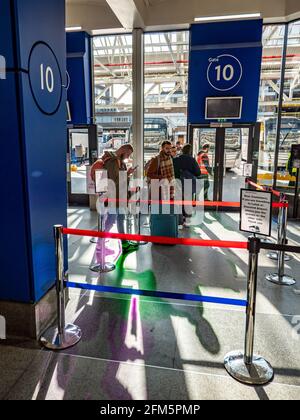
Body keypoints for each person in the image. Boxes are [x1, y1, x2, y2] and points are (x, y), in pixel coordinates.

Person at [91, 144, 138, 254]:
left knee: (120, 219)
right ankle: (100, 245)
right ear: (122, 151)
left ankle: (123, 242)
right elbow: (112, 180)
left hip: (119, 196)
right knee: (110, 221)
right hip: (114, 197)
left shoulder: (118, 161)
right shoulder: (112, 161)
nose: (128, 157)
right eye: (128, 154)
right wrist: (126, 175)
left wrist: (127, 173)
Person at [173, 144, 201, 227]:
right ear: (190, 151)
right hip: (188, 183)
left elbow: (173, 171)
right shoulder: (192, 160)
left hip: (178, 183)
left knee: (179, 202)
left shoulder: (177, 159)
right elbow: (198, 172)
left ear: (182, 150)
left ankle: (180, 221)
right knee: (188, 202)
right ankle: (187, 220)